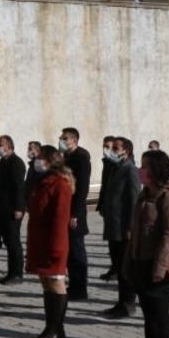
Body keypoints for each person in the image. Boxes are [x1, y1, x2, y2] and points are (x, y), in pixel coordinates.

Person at [125, 149, 169, 338]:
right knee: (149, 318)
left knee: (160, 317)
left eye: (145, 166)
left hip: (159, 267)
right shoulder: (145, 194)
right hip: (141, 262)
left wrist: (159, 267)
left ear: (155, 170)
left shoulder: (167, 197)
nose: (141, 170)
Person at [25, 145, 74, 338]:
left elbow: (60, 219)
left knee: (56, 282)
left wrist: (55, 247)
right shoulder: (44, 181)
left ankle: (55, 328)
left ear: (49, 161)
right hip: (40, 240)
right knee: (47, 283)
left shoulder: (60, 184)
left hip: (54, 242)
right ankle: (52, 326)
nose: (36, 160)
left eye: (39, 157)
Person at [100, 137, 142, 319]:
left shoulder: (130, 170)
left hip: (123, 229)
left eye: (116, 148)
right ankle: (121, 302)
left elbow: (133, 200)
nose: (112, 151)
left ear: (127, 151)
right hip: (113, 226)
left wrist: (131, 226)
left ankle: (128, 304)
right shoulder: (115, 168)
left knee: (125, 269)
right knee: (118, 267)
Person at [59, 127, 91, 300]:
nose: (61, 140)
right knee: (70, 251)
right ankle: (74, 284)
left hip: (75, 212)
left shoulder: (81, 158)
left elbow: (82, 189)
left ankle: (80, 288)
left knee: (77, 251)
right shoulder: (66, 157)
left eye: (65, 138)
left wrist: (75, 214)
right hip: (66, 210)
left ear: (74, 140)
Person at [0, 135, 27, 285]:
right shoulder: (2, 162)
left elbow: (19, 187)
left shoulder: (16, 162)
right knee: (8, 241)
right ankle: (10, 272)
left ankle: (17, 273)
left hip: (13, 209)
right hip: (2, 208)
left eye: (0, 145)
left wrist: (19, 207)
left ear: (9, 146)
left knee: (13, 241)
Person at [96, 135, 117, 280]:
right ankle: (114, 267)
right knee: (111, 242)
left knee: (117, 243)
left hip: (117, 212)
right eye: (105, 146)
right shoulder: (108, 163)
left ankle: (117, 269)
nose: (106, 150)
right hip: (108, 208)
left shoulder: (120, 166)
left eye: (110, 147)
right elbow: (104, 187)